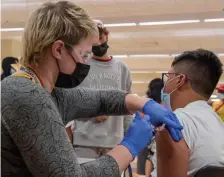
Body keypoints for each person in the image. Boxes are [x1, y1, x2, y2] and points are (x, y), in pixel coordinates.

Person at [1, 1, 182, 177]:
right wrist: (129, 146)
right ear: (58, 50)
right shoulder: (27, 95)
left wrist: (145, 104)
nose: (86, 62)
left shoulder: (45, 91)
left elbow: (100, 100)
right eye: (83, 54)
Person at [152, 49, 224, 177]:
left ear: (180, 80)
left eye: (168, 77)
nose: (165, 85)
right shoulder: (219, 124)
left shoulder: (174, 124)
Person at [71, 20, 133, 159]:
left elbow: (128, 107)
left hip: (114, 143)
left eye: (100, 37)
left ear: (106, 35)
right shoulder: (80, 67)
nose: (98, 43)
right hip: (83, 142)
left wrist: (129, 141)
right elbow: (70, 102)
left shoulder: (122, 69)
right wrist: (91, 112)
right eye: (92, 39)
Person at [137, 78, 164, 177]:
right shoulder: (165, 103)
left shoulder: (144, 102)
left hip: (144, 139)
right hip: (159, 139)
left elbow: (139, 120)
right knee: (157, 168)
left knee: (142, 169)